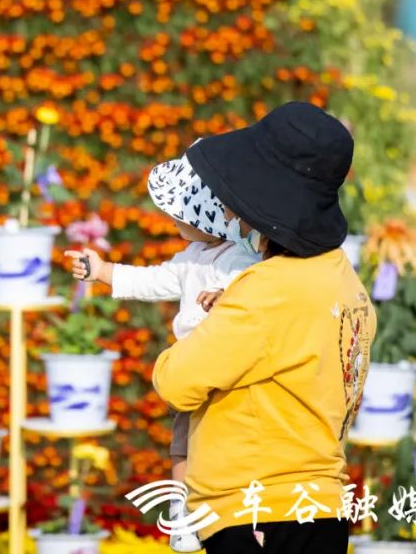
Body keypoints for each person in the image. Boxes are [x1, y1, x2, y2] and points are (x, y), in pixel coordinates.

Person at [152, 102, 375, 554]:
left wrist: (205, 321)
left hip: (258, 515)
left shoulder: (267, 291)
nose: (229, 211)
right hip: (321, 509)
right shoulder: (343, 281)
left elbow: (175, 381)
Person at [66, 145, 261, 553]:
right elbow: (152, 281)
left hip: (228, 370)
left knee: (235, 447)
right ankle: (183, 513)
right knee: (183, 444)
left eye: (182, 213)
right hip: (191, 368)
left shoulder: (243, 260)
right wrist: (102, 271)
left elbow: (255, 296)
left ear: (210, 212)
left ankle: (246, 513)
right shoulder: (190, 258)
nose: (174, 220)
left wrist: (225, 296)